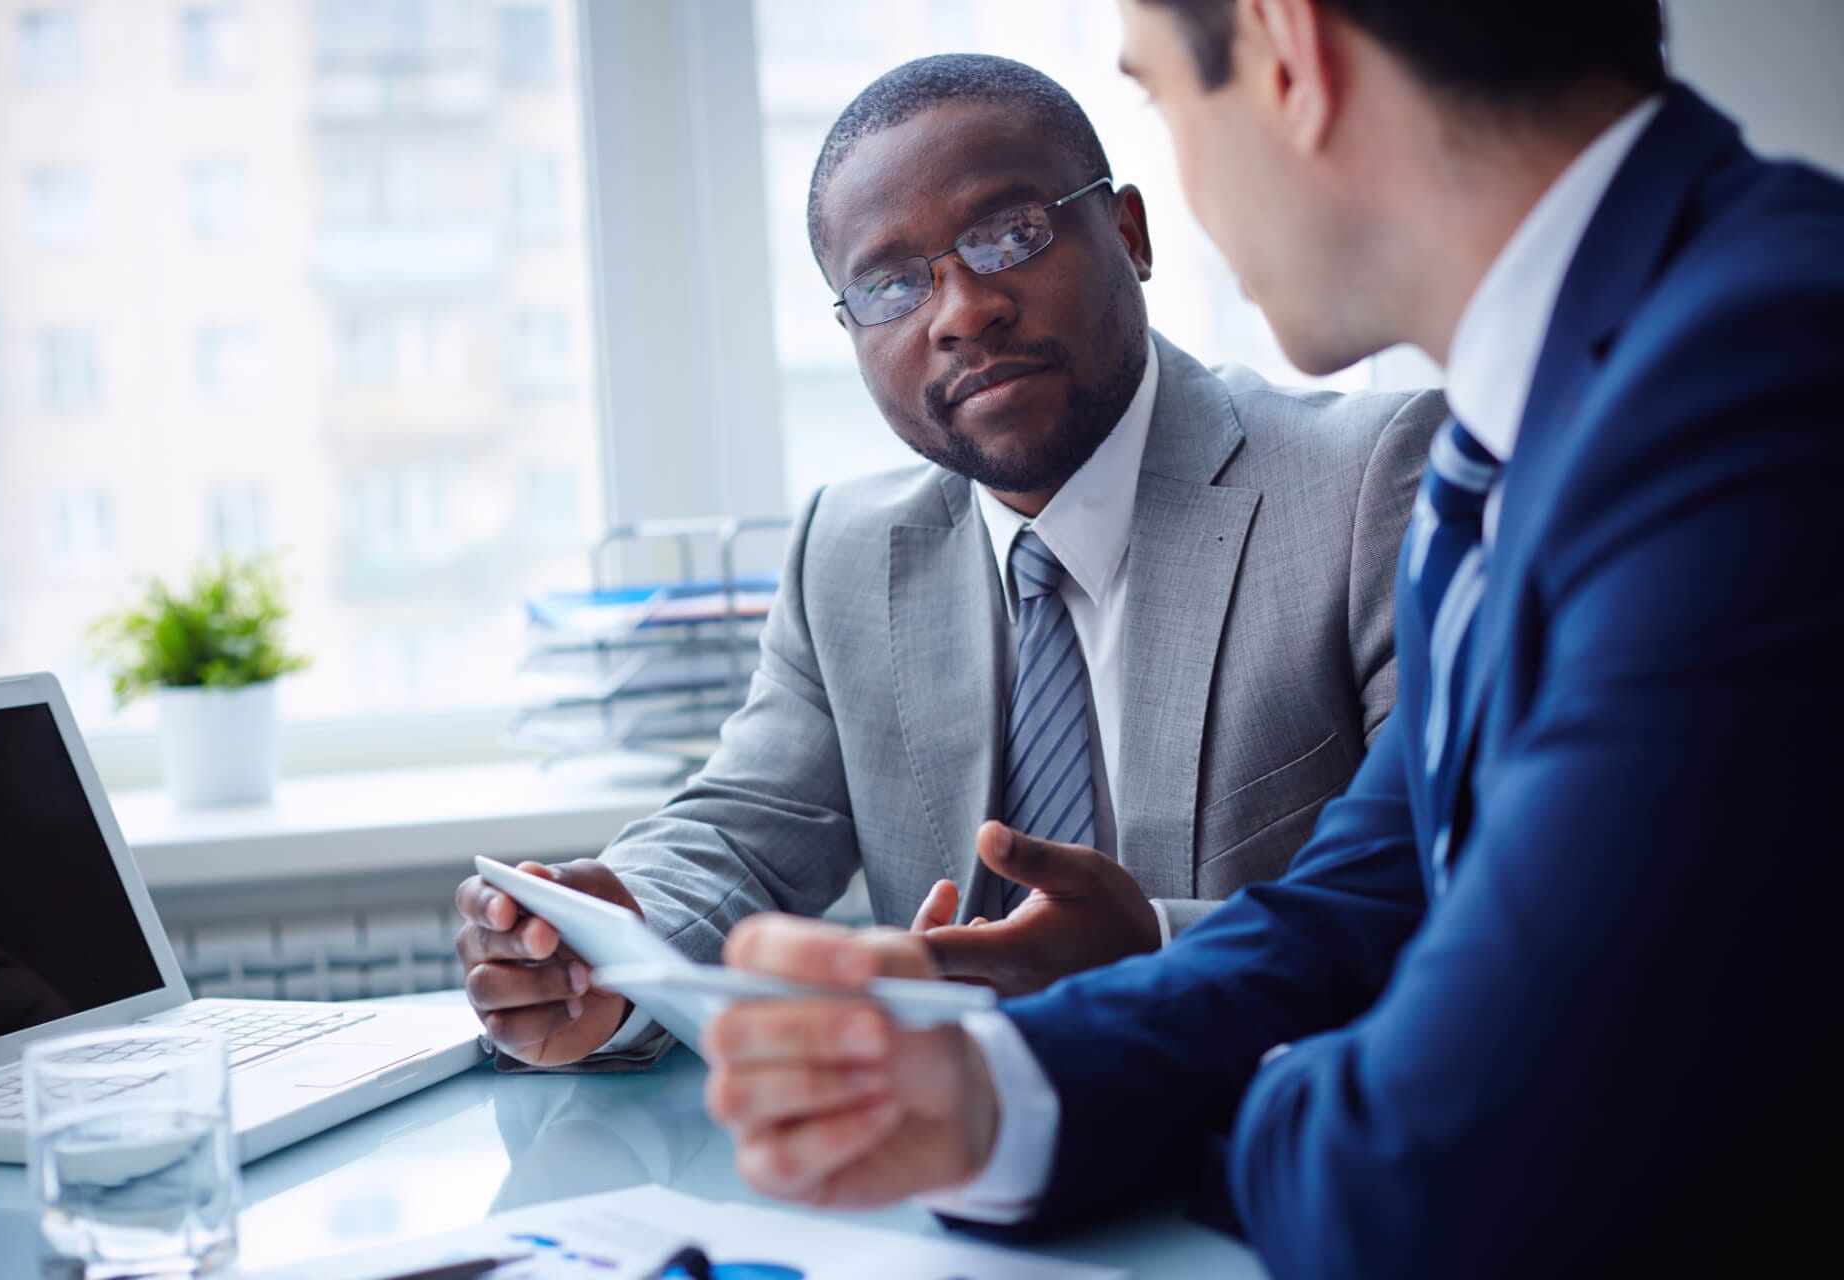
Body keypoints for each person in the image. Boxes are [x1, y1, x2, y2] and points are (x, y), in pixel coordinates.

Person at [701, 2, 1844, 1274]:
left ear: (1288, 52)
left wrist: (1155, 1115)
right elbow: (1360, 897)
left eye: (1158, 97)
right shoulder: (1531, 419)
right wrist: (992, 1091)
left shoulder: (1762, 382)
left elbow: (1443, 1162)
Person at [454, 54, 1444, 1069]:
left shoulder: (1369, 482)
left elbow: (1444, 888)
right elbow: (743, 825)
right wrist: (605, 942)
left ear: (1130, 235)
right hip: (951, 1164)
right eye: (890, 284)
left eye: (1010, 234)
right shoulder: (846, 551)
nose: (962, 310)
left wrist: (1154, 947)